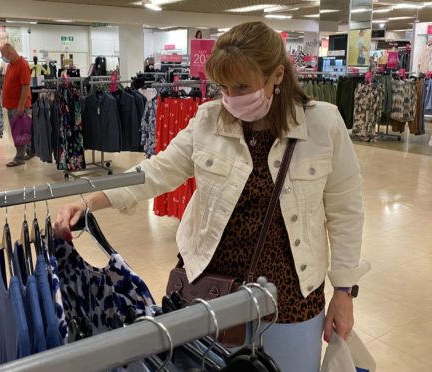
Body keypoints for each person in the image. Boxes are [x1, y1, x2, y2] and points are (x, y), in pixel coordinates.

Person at [53, 21, 369, 372]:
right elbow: (158, 170)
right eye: (223, 87)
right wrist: (90, 200)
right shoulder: (207, 120)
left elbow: (346, 211)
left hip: (292, 295)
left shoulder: (322, 125)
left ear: (277, 74)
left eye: (242, 86)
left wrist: (344, 292)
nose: (231, 98)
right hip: (211, 288)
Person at [0, 43, 34, 167]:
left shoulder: (22, 65)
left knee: (18, 132)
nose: (2, 57)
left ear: (10, 53)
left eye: (3, 55)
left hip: (18, 105)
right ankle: (30, 151)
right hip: (11, 104)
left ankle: (19, 159)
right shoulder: (10, 65)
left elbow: (25, 86)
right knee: (23, 130)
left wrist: (21, 106)